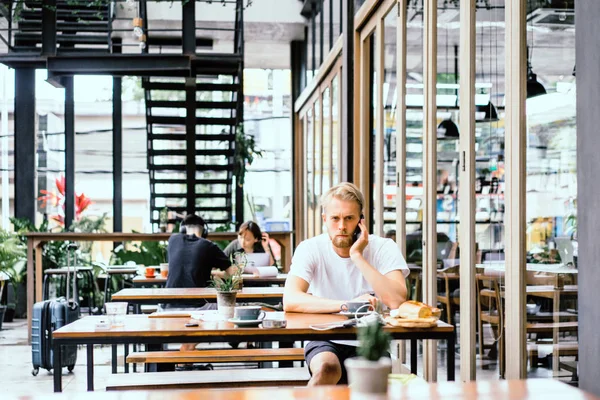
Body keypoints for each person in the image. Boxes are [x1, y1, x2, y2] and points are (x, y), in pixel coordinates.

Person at [283, 182, 409, 386]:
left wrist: (357, 256)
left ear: (361, 221)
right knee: (326, 368)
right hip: (325, 337)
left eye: (349, 218)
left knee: (368, 384)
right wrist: (348, 305)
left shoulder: (383, 247)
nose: (341, 226)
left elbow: (396, 300)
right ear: (325, 219)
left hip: (371, 339)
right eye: (335, 218)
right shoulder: (310, 248)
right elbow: (290, 299)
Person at [165, 214, 237, 353]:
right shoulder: (208, 246)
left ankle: (188, 351)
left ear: (183, 230)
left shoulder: (173, 240)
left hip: (166, 306)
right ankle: (187, 349)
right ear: (204, 231)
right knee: (229, 308)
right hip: (197, 309)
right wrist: (216, 273)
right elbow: (232, 273)